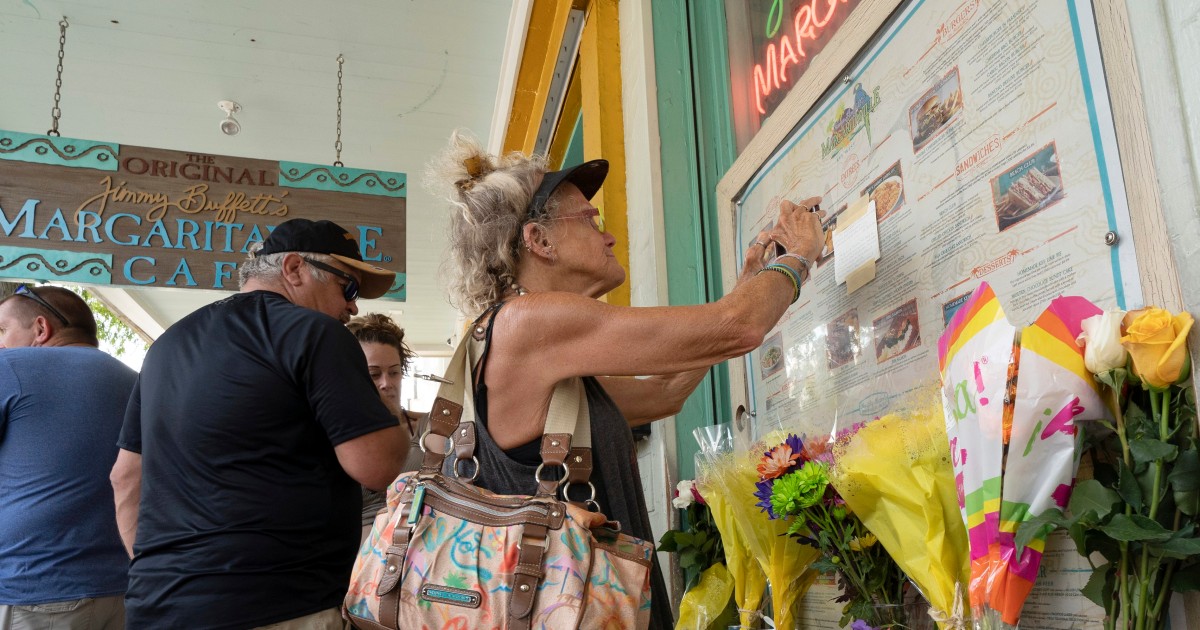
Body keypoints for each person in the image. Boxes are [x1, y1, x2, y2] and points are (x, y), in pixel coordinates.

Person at [425, 132, 825, 629]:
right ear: (539, 240)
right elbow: (738, 327)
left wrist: (749, 287)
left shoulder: (534, 354)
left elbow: (666, 392)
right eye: (591, 221)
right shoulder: (527, 323)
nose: (608, 236)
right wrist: (799, 255)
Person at [109, 219, 410, 630]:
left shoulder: (168, 344)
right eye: (349, 287)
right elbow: (377, 467)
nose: (353, 307)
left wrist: (168, 576)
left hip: (158, 607)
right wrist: (384, 401)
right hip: (278, 605)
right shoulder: (315, 332)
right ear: (293, 269)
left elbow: (126, 478)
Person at [0, 285, 137, 630]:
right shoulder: (136, 380)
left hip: (32, 588)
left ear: (41, 329)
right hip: (120, 589)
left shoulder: (10, 366)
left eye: (2, 330)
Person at [345, 312, 426, 539]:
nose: (386, 383)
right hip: (353, 567)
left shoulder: (430, 427)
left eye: (394, 372)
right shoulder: (335, 437)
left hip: (418, 562)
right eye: (373, 374)